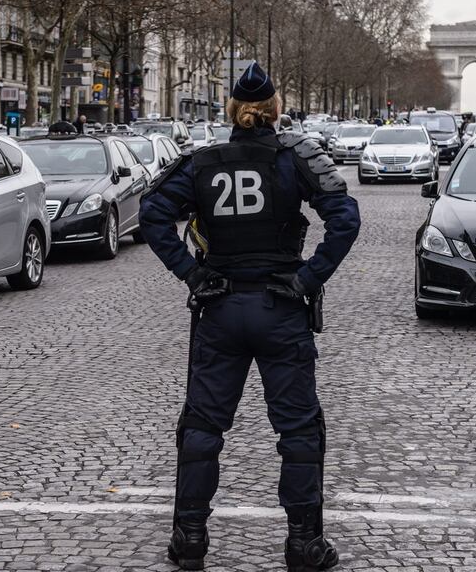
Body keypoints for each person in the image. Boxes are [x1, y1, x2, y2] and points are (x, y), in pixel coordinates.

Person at [140, 61, 360, 571]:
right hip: (281, 307)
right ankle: (304, 545)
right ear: (275, 109)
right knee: (300, 430)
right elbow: (344, 219)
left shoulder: (202, 160)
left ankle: (190, 540)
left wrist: (191, 274)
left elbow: (151, 213)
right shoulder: (295, 157)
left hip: (219, 307)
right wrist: (309, 278)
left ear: (232, 110)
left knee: (202, 427)